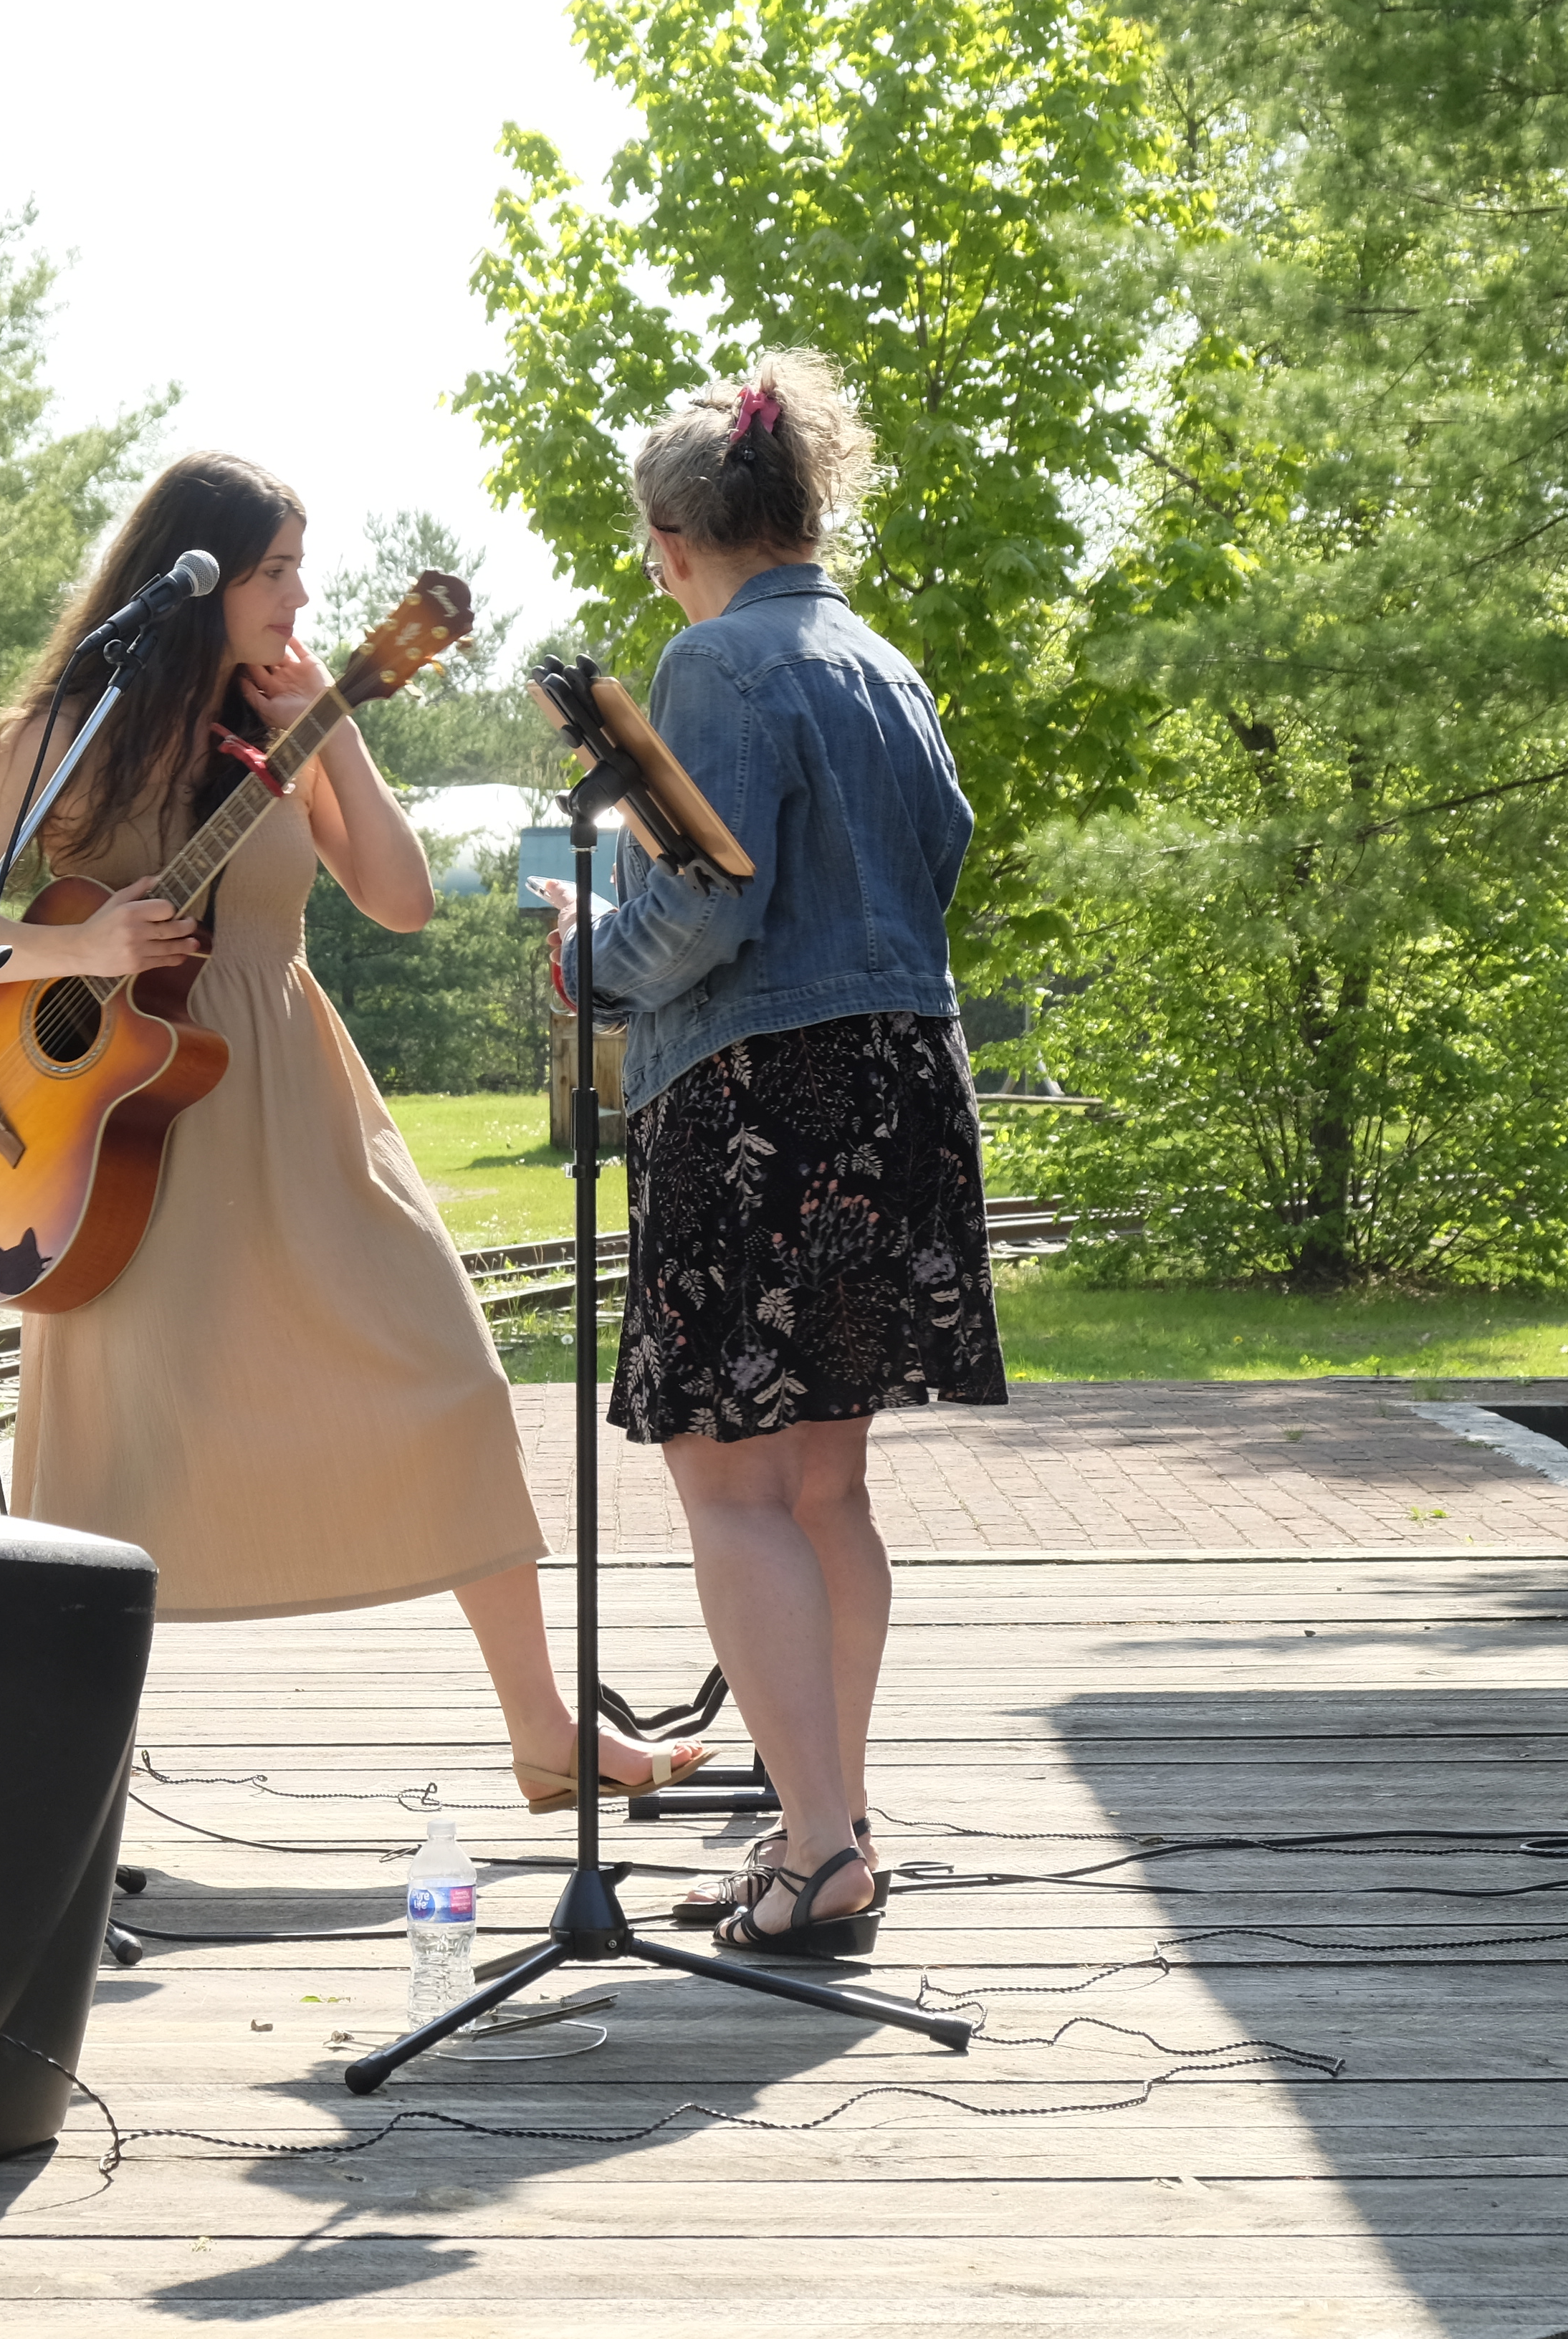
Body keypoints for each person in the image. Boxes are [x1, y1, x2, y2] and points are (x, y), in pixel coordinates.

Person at [0, 450, 707, 1810]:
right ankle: (49, 1785)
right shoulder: (65, 730)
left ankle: (544, 1730)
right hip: (111, 1133)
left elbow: (399, 900)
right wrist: (82, 940)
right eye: (275, 570)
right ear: (195, 576)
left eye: (301, 568)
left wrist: (340, 734)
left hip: (292, 1100)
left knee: (448, 1371)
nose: (300, 595)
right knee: (111, 1449)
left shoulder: (291, 726)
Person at [542, 353, 1008, 1956]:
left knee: (728, 1485)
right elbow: (935, 857)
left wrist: (582, 956)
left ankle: (813, 1849)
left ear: (679, 539)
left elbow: (709, 899)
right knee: (828, 1485)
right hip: (903, 1079)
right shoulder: (886, 662)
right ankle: (834, 1825)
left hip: (761, 1100)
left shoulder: (713, 667)